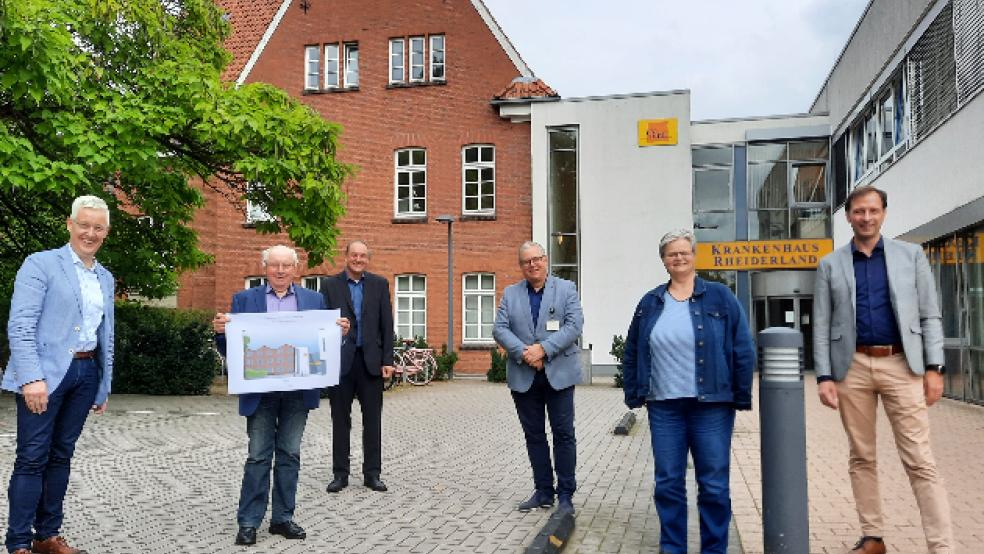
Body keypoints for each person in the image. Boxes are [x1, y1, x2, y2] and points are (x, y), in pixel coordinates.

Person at [813, 185, 952, 554]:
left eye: (873, 211)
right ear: (848, 216)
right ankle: (873, 537)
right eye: (859, 211)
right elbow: (823, 325)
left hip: (902, 365)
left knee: (920, 459)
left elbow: (930, 314)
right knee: (861, 456)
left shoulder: (912, 255)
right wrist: (825, 376)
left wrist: (935, 367)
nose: (866, 217)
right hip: (852, 367)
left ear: (884, 213)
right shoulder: (830, 264)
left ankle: (942, 547)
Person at [621, 229, 754, 554]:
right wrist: (634, 393)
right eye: (671, 254)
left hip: (711, 407)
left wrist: (741, 394)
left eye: (684, 252)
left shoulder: (720, 296)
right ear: (664, 260)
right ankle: (673, 548)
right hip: (664, 408)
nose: (678, 258)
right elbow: (633, 347)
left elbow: (743, 346)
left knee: (713, 485)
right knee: (667, 484)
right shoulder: (650, 302)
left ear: (694, 256)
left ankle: (714, 549)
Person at [213, 245, 349, 546]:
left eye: (286, 265)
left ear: (296, 268)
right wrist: (221, 333)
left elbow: (322, 347)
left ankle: (282, 519)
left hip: (298, 394)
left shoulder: (314, 300)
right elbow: (230, 351)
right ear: (265, 267)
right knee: (258, 456)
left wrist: (339, 335)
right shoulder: (244, 300)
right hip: (260, 392)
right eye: (274, 264)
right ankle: (248, 522)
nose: (280, 270)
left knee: (289, 455)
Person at [3, 195, 115, 554]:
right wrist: (30, 378)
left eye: (98, 227)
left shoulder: (105, 277)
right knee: (33, 457)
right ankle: (18, 542)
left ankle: (46, 537)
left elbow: (106, 333)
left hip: (86, 372)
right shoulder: (40, 264)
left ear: (106, 232)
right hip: (45, 375)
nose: (90, 233)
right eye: (84, 225)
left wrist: (103, 383)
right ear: (70, 225)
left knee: (61, 456)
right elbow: (20, 326)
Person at [493, 241, 584, 516]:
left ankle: (566, 494)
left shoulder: (566, 289)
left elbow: (574, 325)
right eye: (526, 261)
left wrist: (544, 349)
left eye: (537, 259)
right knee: (534, 436)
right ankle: (543, 491)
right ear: (521, 266)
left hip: (559, 373)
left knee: (564, 434)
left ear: (546, 260)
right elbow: (499, 329)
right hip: (524, 374)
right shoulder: (511, 293)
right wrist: (525, 353)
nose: (532, 265)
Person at [320, 240, 394, 494]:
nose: (358, 259)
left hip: (371, 363)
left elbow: (387, 325)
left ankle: (372, 474)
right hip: (341, 363)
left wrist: (388, 361)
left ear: (368, 259)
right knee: (340, 420)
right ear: (346, 257)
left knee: (372, 421)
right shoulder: (330, 285)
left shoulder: (379, 284)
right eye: (354, 255)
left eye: (363, 256)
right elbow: (322, 324)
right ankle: (340, 475)